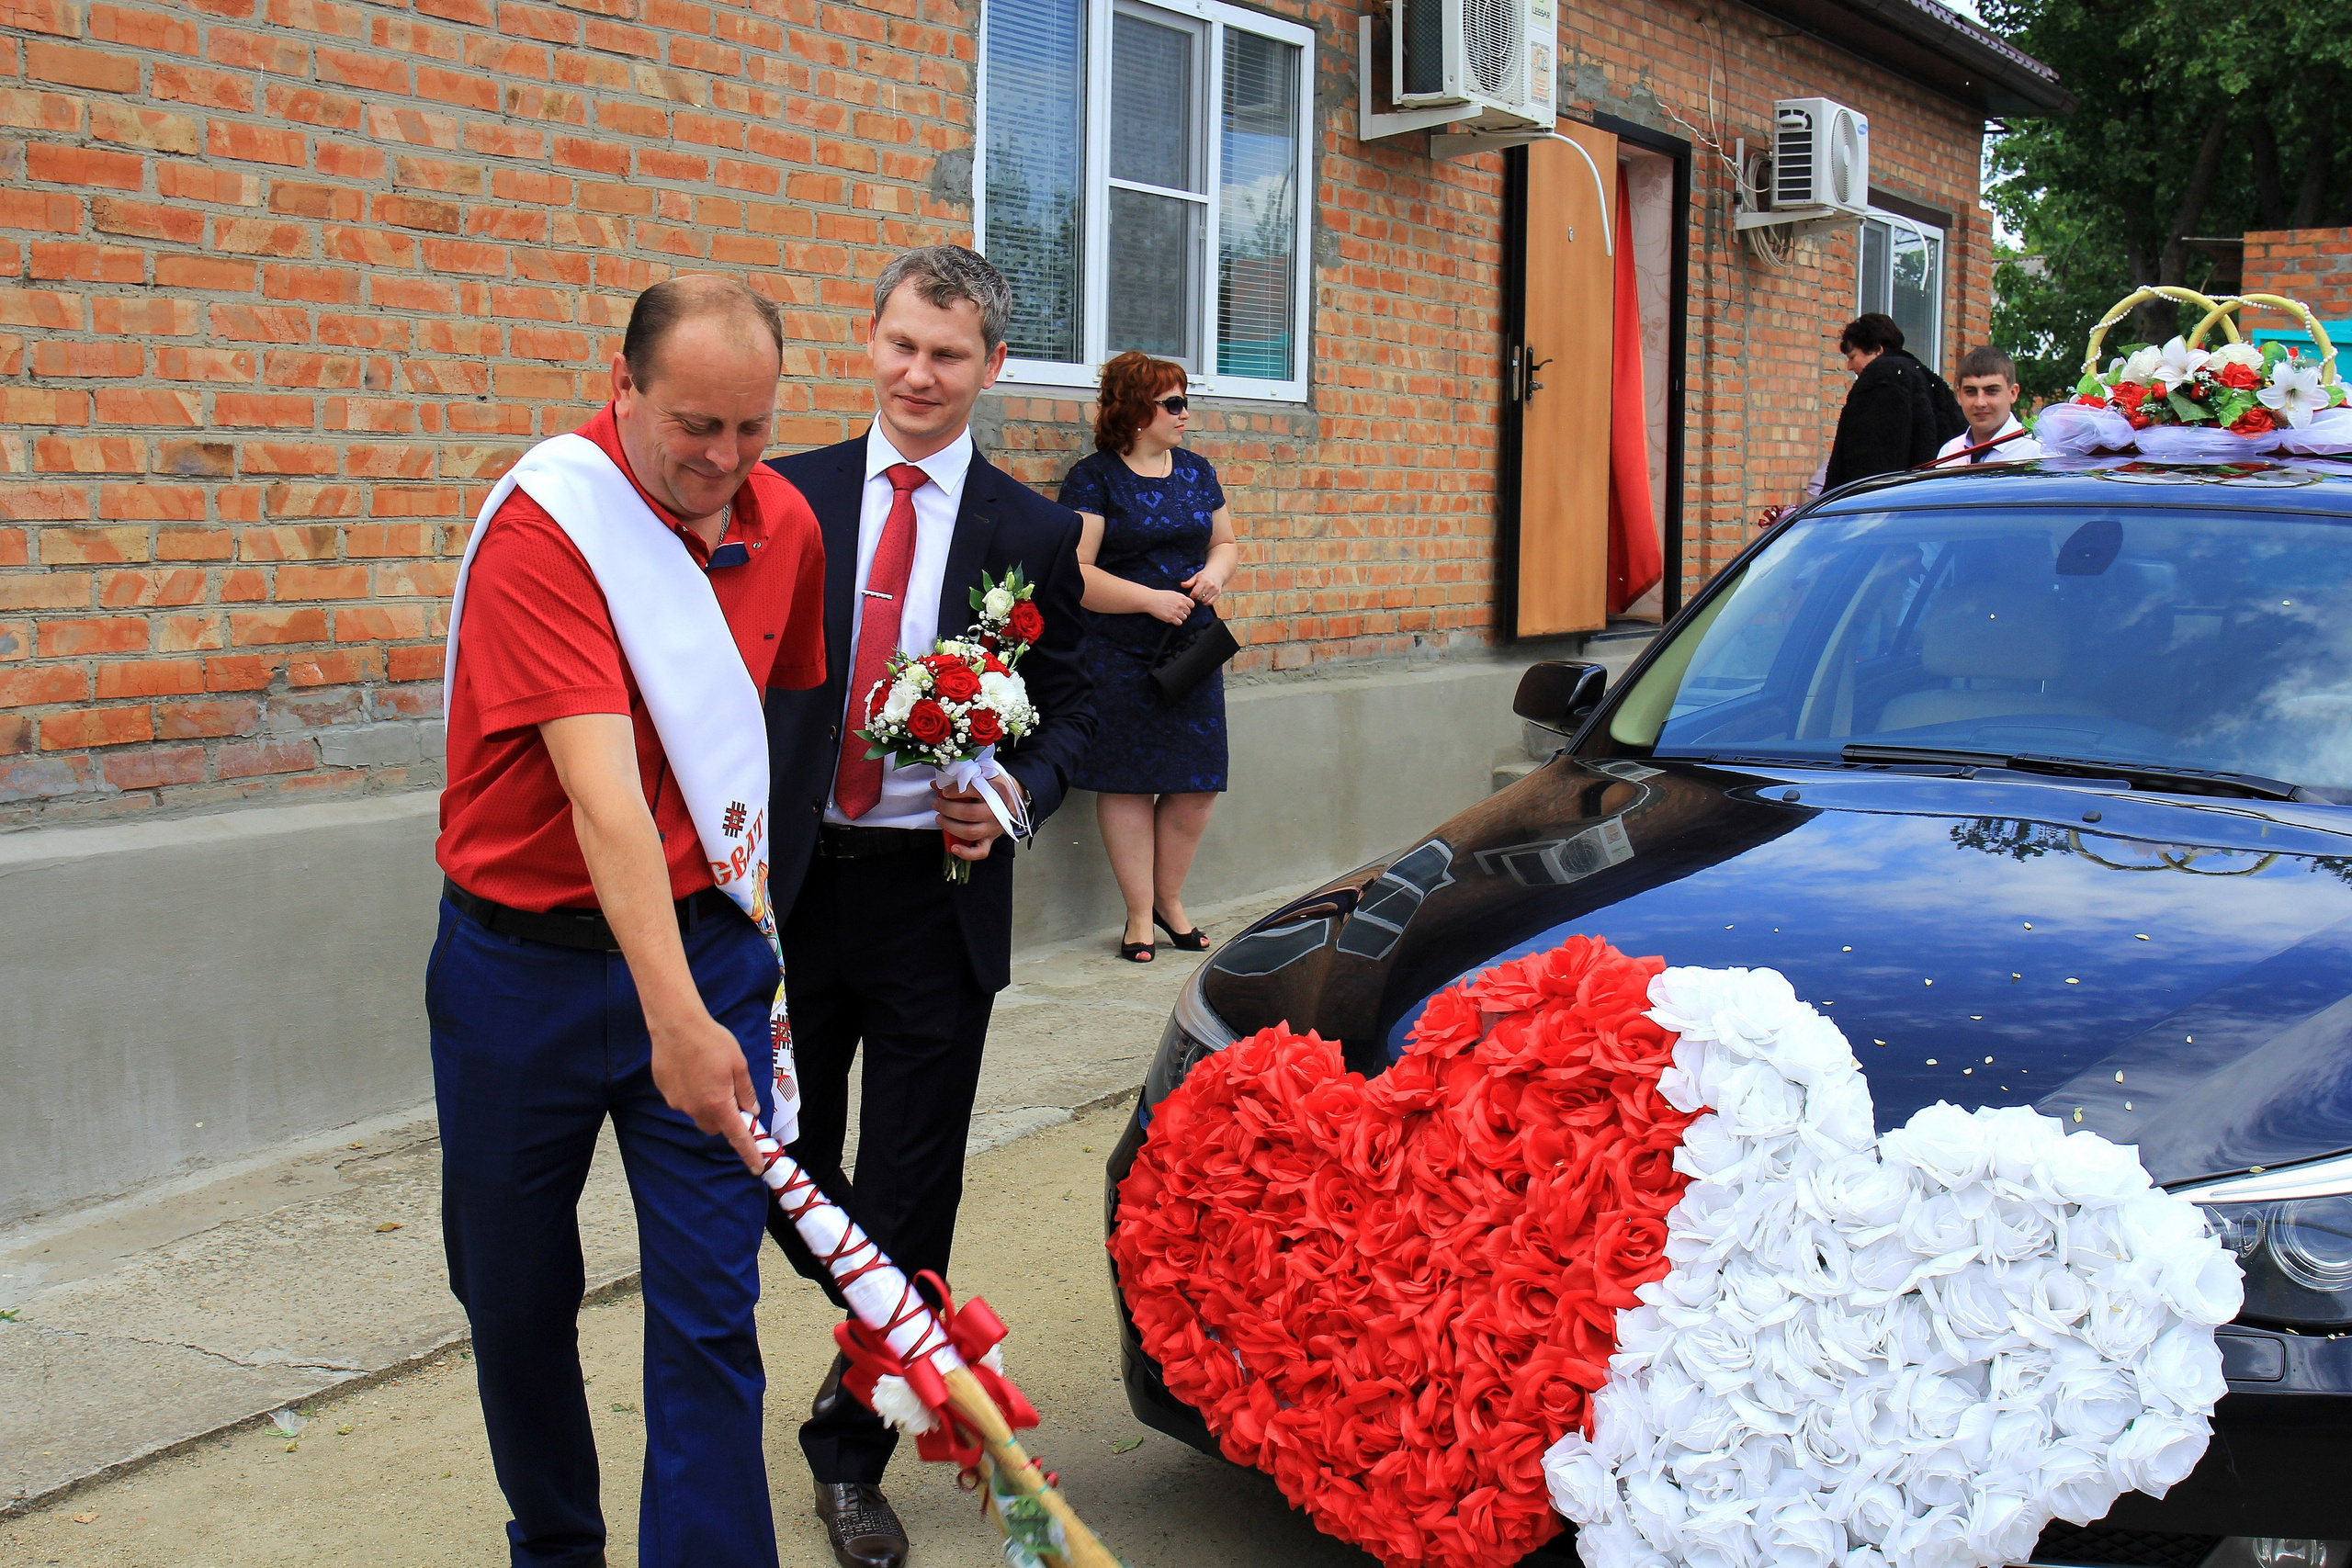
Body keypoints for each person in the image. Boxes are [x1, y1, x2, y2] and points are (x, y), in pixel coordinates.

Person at [430, 275, 829, 1568]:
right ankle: (557, 1544)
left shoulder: (789, 530)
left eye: (752, 428)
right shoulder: (549, 525)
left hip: (705, 944)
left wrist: (755, 953)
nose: (722, 459)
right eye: (693, 425)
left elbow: (778, 738)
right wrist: (680, 1017)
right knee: (513, 1298)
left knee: (714, 1304)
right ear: (623, 385)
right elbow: (604, 798)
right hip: (520, 971)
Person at [761, 244, 1094, 1568]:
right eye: (902, 343)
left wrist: (1013, 794)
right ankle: (866, 1294)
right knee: (780, 1170)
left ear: (991, 366)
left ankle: (852, 1449)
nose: (919, 373)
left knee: (911, 1193)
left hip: (932, 904)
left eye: (949, 355)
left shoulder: (1027, 532)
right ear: (872, 336)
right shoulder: (788, 499)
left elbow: (1078, 705)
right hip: (786, 895)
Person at [1058, 351, 1238, 963]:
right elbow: (1076, 573)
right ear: (1137, 412)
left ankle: (1170, 900)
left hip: (1190, 651)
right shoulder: (1094, 478)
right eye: (1174, 403)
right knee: (1127, 784)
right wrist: (1149, 600)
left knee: (1196, 784)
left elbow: (1226, 542)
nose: (1186, 414)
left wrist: (1215, 575)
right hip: (1119, 651)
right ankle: (1139, 915)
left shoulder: (1196, 471)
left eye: (1185, 400)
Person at [1821, 313, 1967, 490]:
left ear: (1877, 350)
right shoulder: (1926, 378)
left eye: (1852, 357)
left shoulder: (1880, 378)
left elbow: (1869, 464)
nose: (1849, 366)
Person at [1936, 344, 2044, 463]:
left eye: (1991, 391)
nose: (1980, 403)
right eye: (1971, 392)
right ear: (1959, 395)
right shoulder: (1949, 453)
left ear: (2013, 393)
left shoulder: (2038, 453)